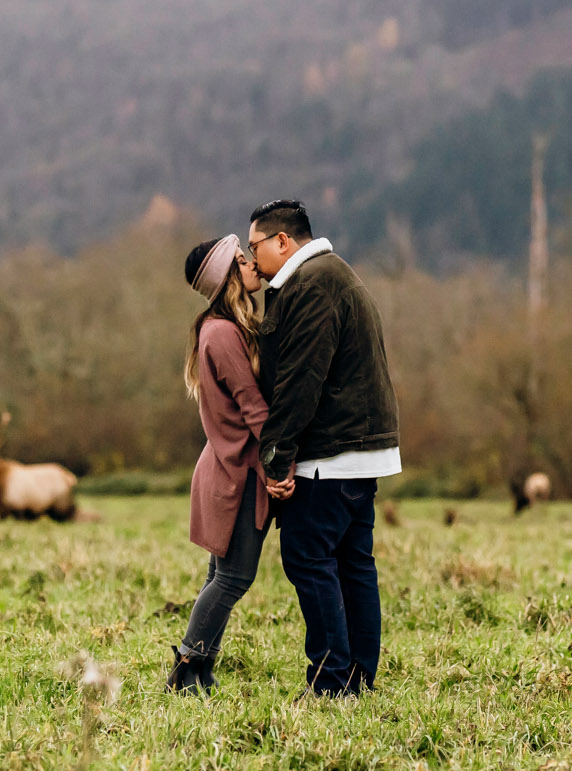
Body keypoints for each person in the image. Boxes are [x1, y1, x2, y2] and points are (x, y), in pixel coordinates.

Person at [246, 199, 400, 696]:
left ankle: (332, 681)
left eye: (256, 246)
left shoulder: (312, 285)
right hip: (361, 447)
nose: (253, 259)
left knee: (308, 558)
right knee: (354, 562)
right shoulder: (333, 275)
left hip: (331, 451)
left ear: (283, 241)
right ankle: (358, 679)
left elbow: (300, 379)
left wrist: (275, 454)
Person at [167, 233, 272, 693]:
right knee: (233, 578)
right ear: (228, 275)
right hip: (237, 474)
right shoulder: (225, 334)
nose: (252, 263)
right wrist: (280, 465)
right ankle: (186, 667)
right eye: (242, 259)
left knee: (222, 576)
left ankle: (200, 671)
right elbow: (255, 410)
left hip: (223, 467)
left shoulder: (218, 328)